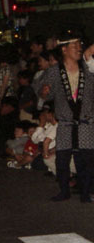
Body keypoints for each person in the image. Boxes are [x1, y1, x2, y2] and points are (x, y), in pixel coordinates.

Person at [34, 33, 94, 202]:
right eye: (74, 46)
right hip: (66, 123)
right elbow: (42, 90)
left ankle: (85, 192)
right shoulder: (55, 71)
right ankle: (64, 190)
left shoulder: (88, 68)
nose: (78, 48)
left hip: (86, 122)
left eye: (79, 45)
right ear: (64, 49)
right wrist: (44, 92)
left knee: (88, 160)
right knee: (62, 159)